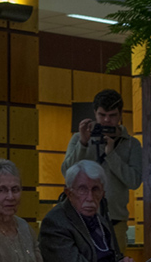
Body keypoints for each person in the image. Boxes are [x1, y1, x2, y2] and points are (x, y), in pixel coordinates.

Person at [61, 89, 142, 250]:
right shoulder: (79, 138)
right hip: (80, 220)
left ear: (120, 115)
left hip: (115, 221)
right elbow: (67, 172)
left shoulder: (131, 144)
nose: (106, 120)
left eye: (112, 115)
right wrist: (83, 144)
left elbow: (134, 181)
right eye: (102, 115)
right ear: (94, 113)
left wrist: (111, 155)